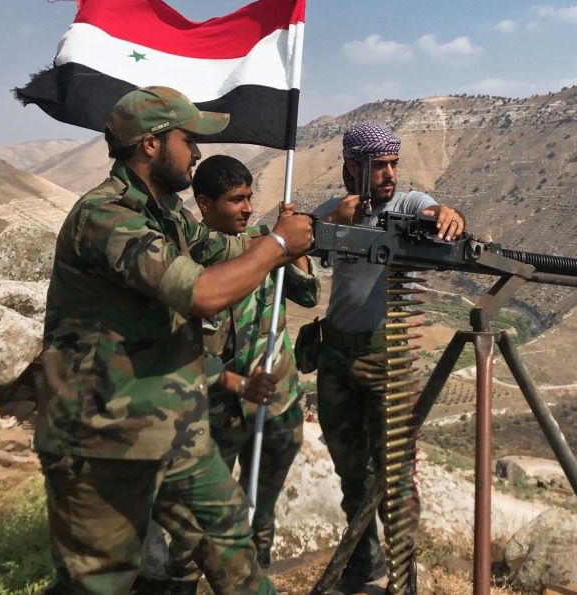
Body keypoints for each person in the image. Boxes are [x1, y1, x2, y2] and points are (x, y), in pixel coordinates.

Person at [35, 85, 313, 595]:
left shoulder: (168, 215)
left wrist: (308, 232)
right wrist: (277, 245)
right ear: (151, 144)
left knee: (234, 552)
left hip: (174, 430)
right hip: (102, 438)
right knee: (98, 582)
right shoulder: (106, 216)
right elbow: (202, 293)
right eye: (188, 140)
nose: (197, 152)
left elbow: (223, 248)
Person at [313, 122, 465, 593]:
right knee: (350, 471)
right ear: (353, 167)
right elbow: (299, 239)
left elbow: (436, 212)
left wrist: (448, 215)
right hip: (336, 355)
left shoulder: (408, 204)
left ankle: (403, 577)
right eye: (380, 166)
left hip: (388, 358)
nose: (390, 174)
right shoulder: (337, 210)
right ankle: (363, 563)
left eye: (394, 164)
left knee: (396, 478)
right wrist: (335, 218)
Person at [160, 154, 319, 590]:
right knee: (197, 522)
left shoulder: (265, 245)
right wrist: (233, 382)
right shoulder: (185, 263)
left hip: (276, 407)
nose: (248, 208)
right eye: (236, 200)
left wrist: (292, 246)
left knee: (260, 514)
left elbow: (308, 294)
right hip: (213, 413)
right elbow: (173, 346)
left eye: (250, 197)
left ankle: (256, 578)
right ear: (204, 203)